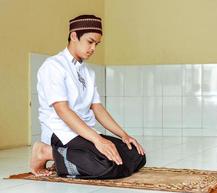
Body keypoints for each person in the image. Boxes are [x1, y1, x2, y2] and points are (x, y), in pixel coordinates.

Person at [30, 14, 146, 179]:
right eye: (90, 42)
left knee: (136, 155)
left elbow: (97, 107)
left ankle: (68, 157)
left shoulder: (88, 72)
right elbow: (62, 110)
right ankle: (45, 152)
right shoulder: (53, 66)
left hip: (85, 132)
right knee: (106, 165)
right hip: (61, 132)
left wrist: (123, 135)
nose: (93, 48)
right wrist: (98, 140)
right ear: (74, 36)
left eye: (96, 44)